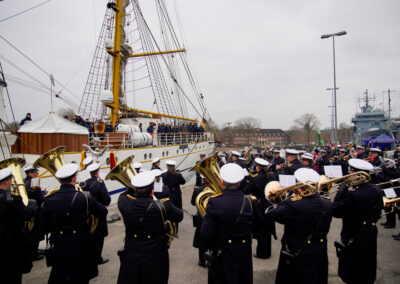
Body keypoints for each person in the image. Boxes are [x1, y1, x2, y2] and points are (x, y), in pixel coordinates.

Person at [41, 163, 108, 284]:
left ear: (60, 180)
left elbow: (44, 227)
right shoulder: (84, 197)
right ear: (74, 178)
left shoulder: (49, 199)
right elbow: (103, 211)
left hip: (59, 244)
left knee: (60, 276)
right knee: (80, 277)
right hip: (80, 244)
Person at [268, 168, 333, 284]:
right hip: (319, 250)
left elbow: (274, 214)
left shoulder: (293, 204)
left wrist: (287, 198)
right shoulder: (328, 203)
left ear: (300, 185)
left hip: (297, 251)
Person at [117, 171, 183, 284]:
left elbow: (125, 194)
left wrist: (133, 188)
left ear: (135, 189)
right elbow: (179, 216)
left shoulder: (124, 203)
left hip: (132, 253)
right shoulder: (164, 206)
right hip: (156, 255)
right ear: (152, 190)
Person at [200, 163, 261, 284]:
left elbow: (204, 234)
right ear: (240, 182)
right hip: (244, 252)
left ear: (222, 182)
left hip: (221, 252)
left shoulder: (214, 202)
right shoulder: (250, 202)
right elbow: (259, 228)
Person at [332, 159, 383, 284]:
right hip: (370, 231)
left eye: (351, 172)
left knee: (354, 267)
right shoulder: (376, 190)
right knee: (368, 262)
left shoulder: (353, 194)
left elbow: (336, 211)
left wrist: (341, 191)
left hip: (354, 233)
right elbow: (379, 210)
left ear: (355, 173)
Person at [0, 167, 37, 284]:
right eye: (11, 178)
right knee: (13, 274)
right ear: (6, 181)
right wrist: (32, 206)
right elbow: (25, 215)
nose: (12, 180)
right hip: (12, 242)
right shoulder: (13, 198)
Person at [244, 158, 277, 259]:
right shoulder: (270, 176)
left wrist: (248, 180)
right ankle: (267, 252)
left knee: (261, 230)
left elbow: (246, 190)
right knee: (267, 229)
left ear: (257, 167)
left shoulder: (256, 178)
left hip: (260, 205)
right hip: (269, 204)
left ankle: (261, 253)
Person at [82, 163, 111, 265]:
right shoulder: (99, 183)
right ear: (97, 172)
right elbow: (107, 200)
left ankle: (87, 256)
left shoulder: (83, 183)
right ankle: (97, 258)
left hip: (86, 215)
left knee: (88, 236)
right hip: (98, 215)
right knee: (98, 238)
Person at [23, 165, 44, 262]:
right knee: (35, 233)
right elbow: (40, 198)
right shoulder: (34, 183)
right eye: (35, 172)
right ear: (30, 173)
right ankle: (33, 254)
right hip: (35, 210)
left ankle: (31, 252)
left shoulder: (24, 182)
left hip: (28, 210)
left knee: (30, 233)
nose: (37, 174)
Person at [191, 175, 207, 267]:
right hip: (212, 217)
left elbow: (193, 202)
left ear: (202, 180)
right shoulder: (216, 189)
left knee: (201, 239)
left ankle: (202, 261)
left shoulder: (198, 190)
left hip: (201, 217)